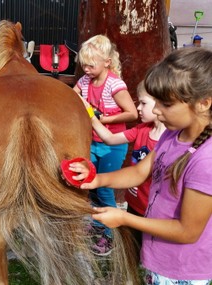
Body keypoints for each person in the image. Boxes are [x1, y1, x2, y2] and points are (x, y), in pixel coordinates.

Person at [71, 47, 212, 284]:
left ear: (203, 103)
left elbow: (188, 231)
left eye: (165, 104)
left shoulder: (205, 161)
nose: (156, 111)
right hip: (159, 257)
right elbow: (140, 171)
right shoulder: (173, 134)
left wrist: (124, 219)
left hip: (181, 268)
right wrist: (97, 179)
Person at [73, 34, 137, 255]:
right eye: (84, 66)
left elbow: (132, 113)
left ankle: (110, 235)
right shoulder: (84, 82)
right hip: (92, 142)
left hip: (112, 146)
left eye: (91, 66)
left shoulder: (115, 85)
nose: (87, 70)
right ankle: (98, 223)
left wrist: (104, 119)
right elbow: (73, 98)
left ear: (107, 62)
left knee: (105, 189)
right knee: (90, 185)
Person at [86, 81, 166, 249]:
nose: (137, 108)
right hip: (134, 204)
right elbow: (110, 138)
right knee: (132, 250)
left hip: (155, 211)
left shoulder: (170, 141)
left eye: (143, 103)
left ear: (161, 103)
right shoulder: (141, 129)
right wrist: (90, 115)